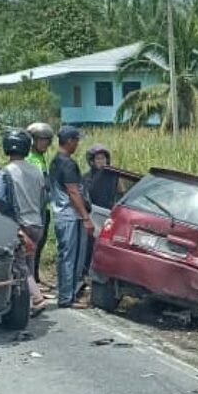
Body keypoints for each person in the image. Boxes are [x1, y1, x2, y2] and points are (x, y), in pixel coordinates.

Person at [0, 129, 49, 315]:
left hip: (20, 225)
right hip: (37, 223)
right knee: (29, 263)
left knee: (20, 266)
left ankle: (36, 299)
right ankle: (27, 304)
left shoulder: (6, 172)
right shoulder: (37, 170)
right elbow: (43, 199)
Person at [49, 126, 95, 309]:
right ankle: (67, 297)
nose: (77, 144)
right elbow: (74, 192)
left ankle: (65, 293)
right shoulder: (67, 164)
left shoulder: (55, 161)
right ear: (69, 141)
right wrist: (85, 217)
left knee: (65, 256)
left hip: (61, 215)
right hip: (71, 216)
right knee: (71, 257)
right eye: (76, 140)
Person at [26, 122, 55, 289]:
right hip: (35, 209)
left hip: (44, 207)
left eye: (48, 140)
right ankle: (32, 281)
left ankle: (36, 276)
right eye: (42, 139)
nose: (46, 144)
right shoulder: (31, 159)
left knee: (40, 243)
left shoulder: (40, 158)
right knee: (33, 246)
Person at [80, 144, 116, 276]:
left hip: (109, 215)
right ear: (91, 161)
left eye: (103, 158)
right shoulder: (87, 178)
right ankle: (85, 271)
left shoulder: (113, 176)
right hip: (93, 214)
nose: (102, 161)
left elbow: (121, 191)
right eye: (98, 159)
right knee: (89, 244)